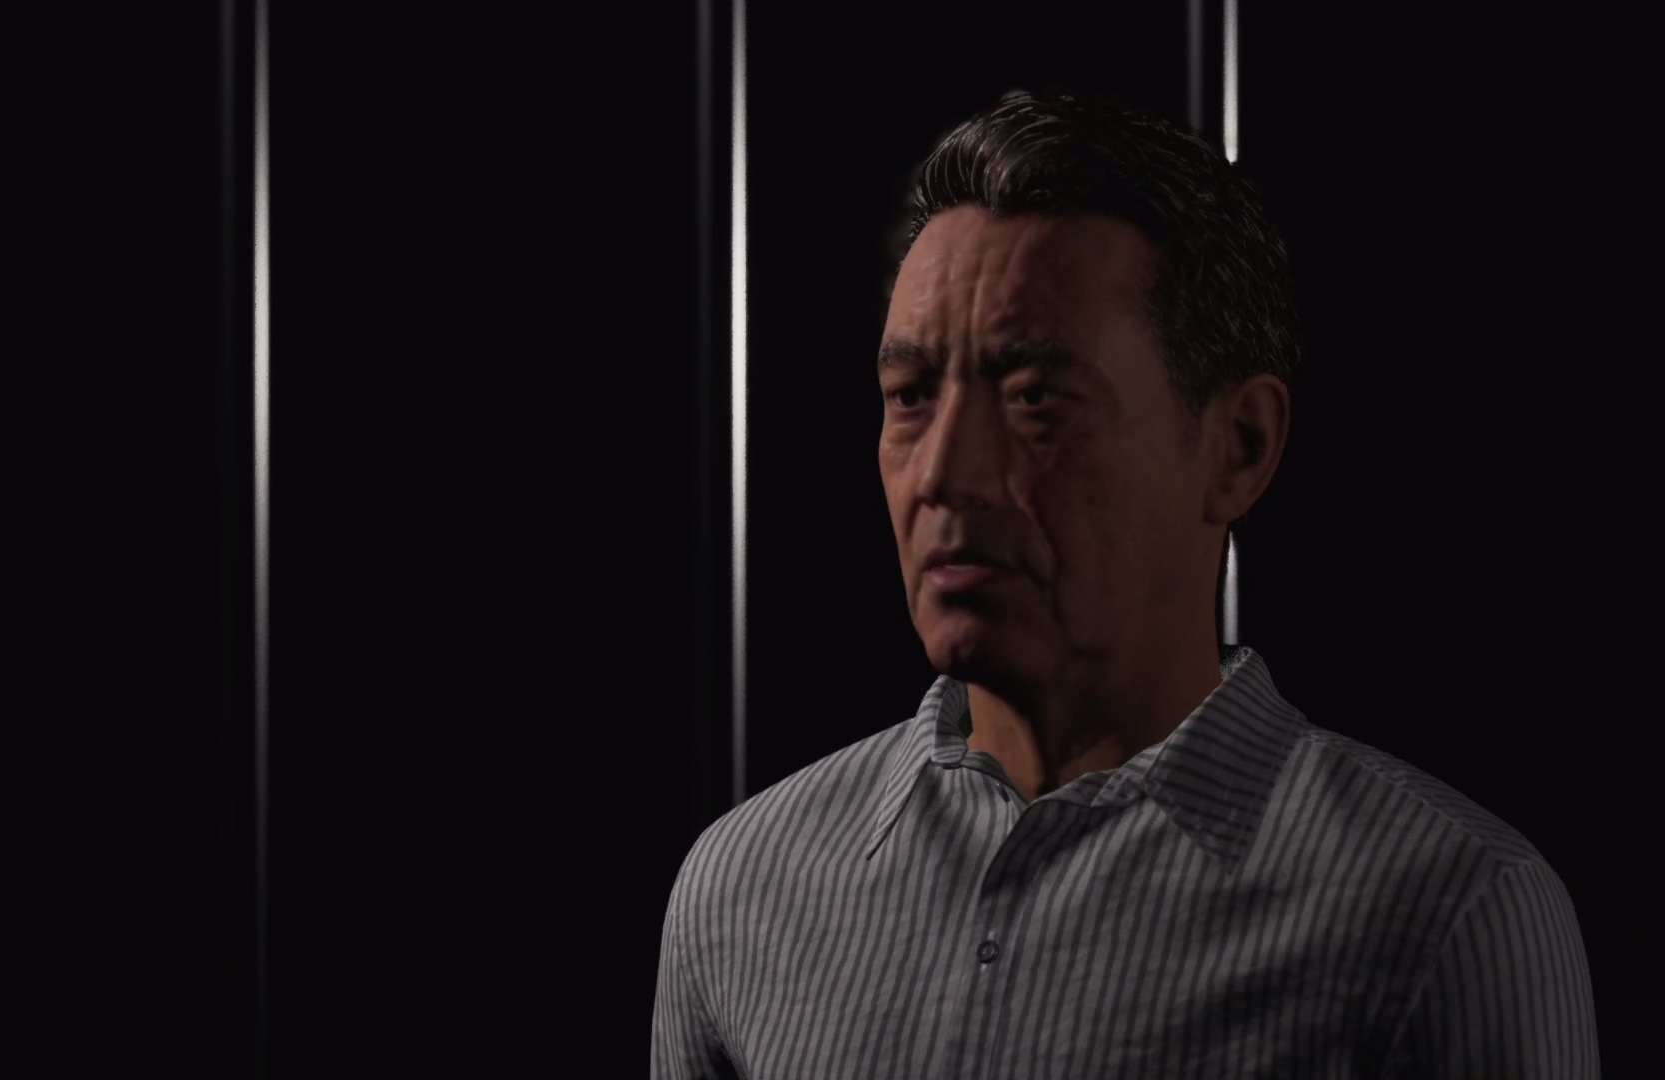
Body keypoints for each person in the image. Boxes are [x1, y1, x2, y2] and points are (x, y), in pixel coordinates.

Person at [653, 88, 1599, 1078]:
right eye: (911, 397)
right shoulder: (737, 893)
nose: (942, 474)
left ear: (1238, 447)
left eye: (1036, 399)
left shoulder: (1446, 911)